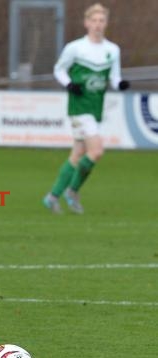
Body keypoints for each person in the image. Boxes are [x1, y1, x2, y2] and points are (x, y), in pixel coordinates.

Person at [43, 3, 129, 214]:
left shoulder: (112, 50)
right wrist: (69, 84)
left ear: (106, 23)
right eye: (94, 20)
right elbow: (59, 69)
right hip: (79, 106)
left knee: (78, 154)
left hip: (96, 106)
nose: (98, 25)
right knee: (96, 151)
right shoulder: (75, 48)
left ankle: (52, 196)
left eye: (102, 21)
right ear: (86, 23)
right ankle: (72, 191)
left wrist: (120, 84)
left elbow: (114, 77)